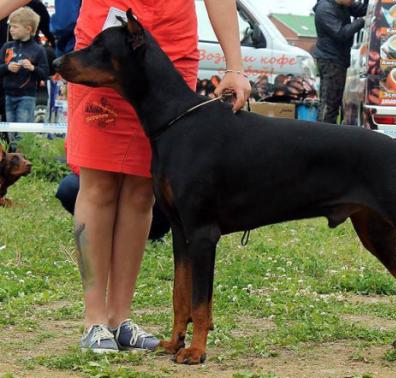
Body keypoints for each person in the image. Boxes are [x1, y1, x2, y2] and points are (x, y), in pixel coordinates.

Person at [3, 0, 251, 354]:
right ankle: (94, 320)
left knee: (140, 192)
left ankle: (120, 318)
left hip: (168, 55)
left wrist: (235, 67)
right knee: (98, 185)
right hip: (103, 53)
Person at [55, 167, 171, 241]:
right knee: (70, 188)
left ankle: (151, 232)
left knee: (140, 195)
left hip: (141, 180)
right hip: (103, 171)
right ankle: (101, 230)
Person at [0, 6, 49, 151]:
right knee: (11, 134)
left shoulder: (38, 50)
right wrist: (6, 67)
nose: (11, 30)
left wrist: (32, 68)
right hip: (8, 96)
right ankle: (14, 165)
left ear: (28, 29)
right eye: (10, 26)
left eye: (15, 27)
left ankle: (24, 162)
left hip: (26, 97)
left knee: (23, 134)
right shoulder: (7, 47)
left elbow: (45, 74)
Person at [312, 0, 368, 124]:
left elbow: (363, 10)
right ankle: (322, 134)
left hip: (338, 60)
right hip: (330, 60)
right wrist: (362, 21)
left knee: (334, 101)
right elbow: (341, 33)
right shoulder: (325, 9)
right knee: (329, 102)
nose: (353, 1)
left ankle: (327, 132)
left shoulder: (343, 4)